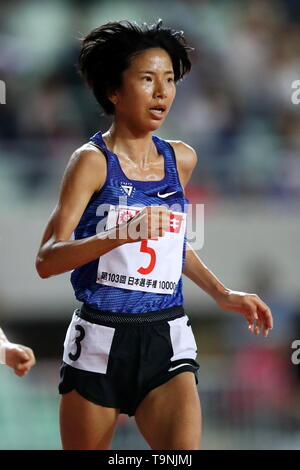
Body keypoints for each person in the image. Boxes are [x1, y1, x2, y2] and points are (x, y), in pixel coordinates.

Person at [35, 19, 273, 450]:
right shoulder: (90, 162)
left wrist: (222, 293)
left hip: (166, 336)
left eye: (168, 80)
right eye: (147, 79)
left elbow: (172, 247)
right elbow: (46, 260)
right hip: (99, 340)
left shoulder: (181, 159)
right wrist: (119, 235)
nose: (162, 92)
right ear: (114, 90)